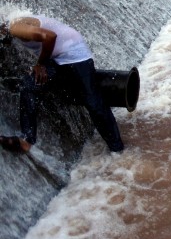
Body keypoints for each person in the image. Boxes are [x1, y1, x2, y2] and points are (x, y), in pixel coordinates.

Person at [0, 15, 124, 153]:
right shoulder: (13, 25)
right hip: (58, 60)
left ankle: (117, 150)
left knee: (93, 103)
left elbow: (50, 36)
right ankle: (26, 140)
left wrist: (40, 64)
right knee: (29, 86)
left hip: (74, 54)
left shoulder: (15, 26)